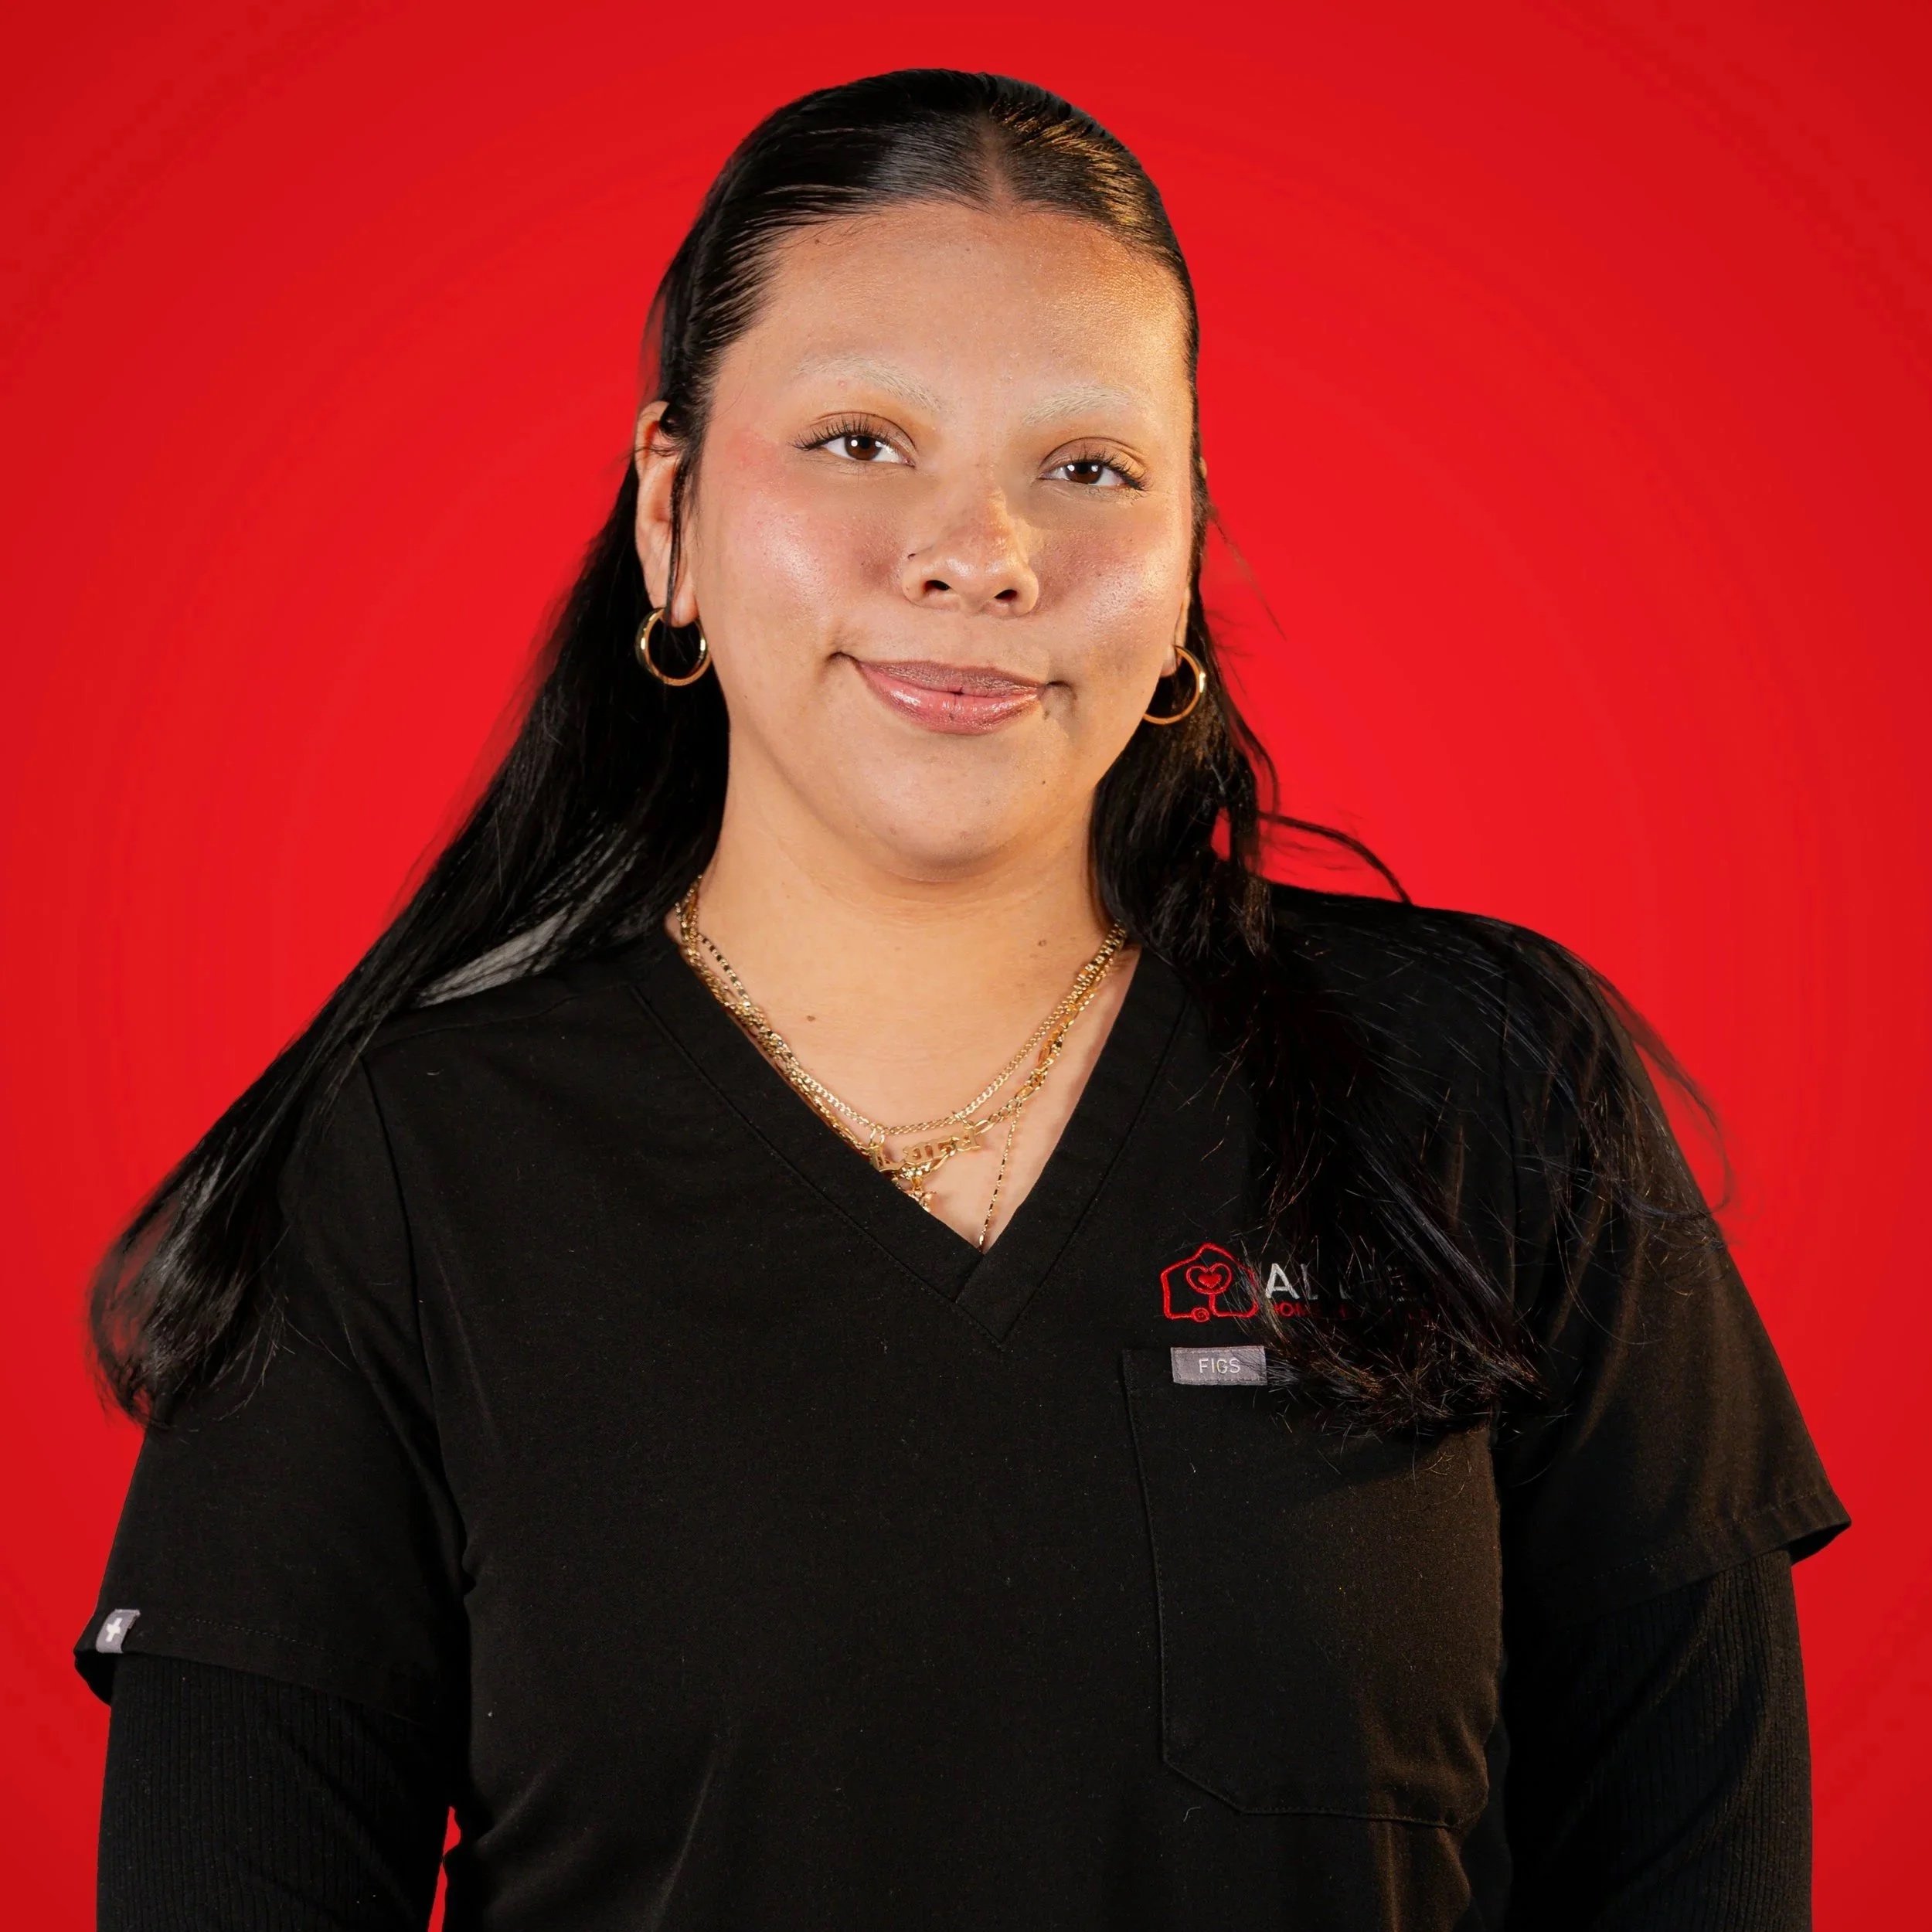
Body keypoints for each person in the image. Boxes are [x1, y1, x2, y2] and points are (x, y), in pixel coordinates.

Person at [73, 68, 1848, 1932]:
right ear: (666, 517)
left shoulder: (1490, 1085)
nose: (978, 550)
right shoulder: (404, 1173)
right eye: (858, 440)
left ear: (1179, 561)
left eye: (1085, 468)